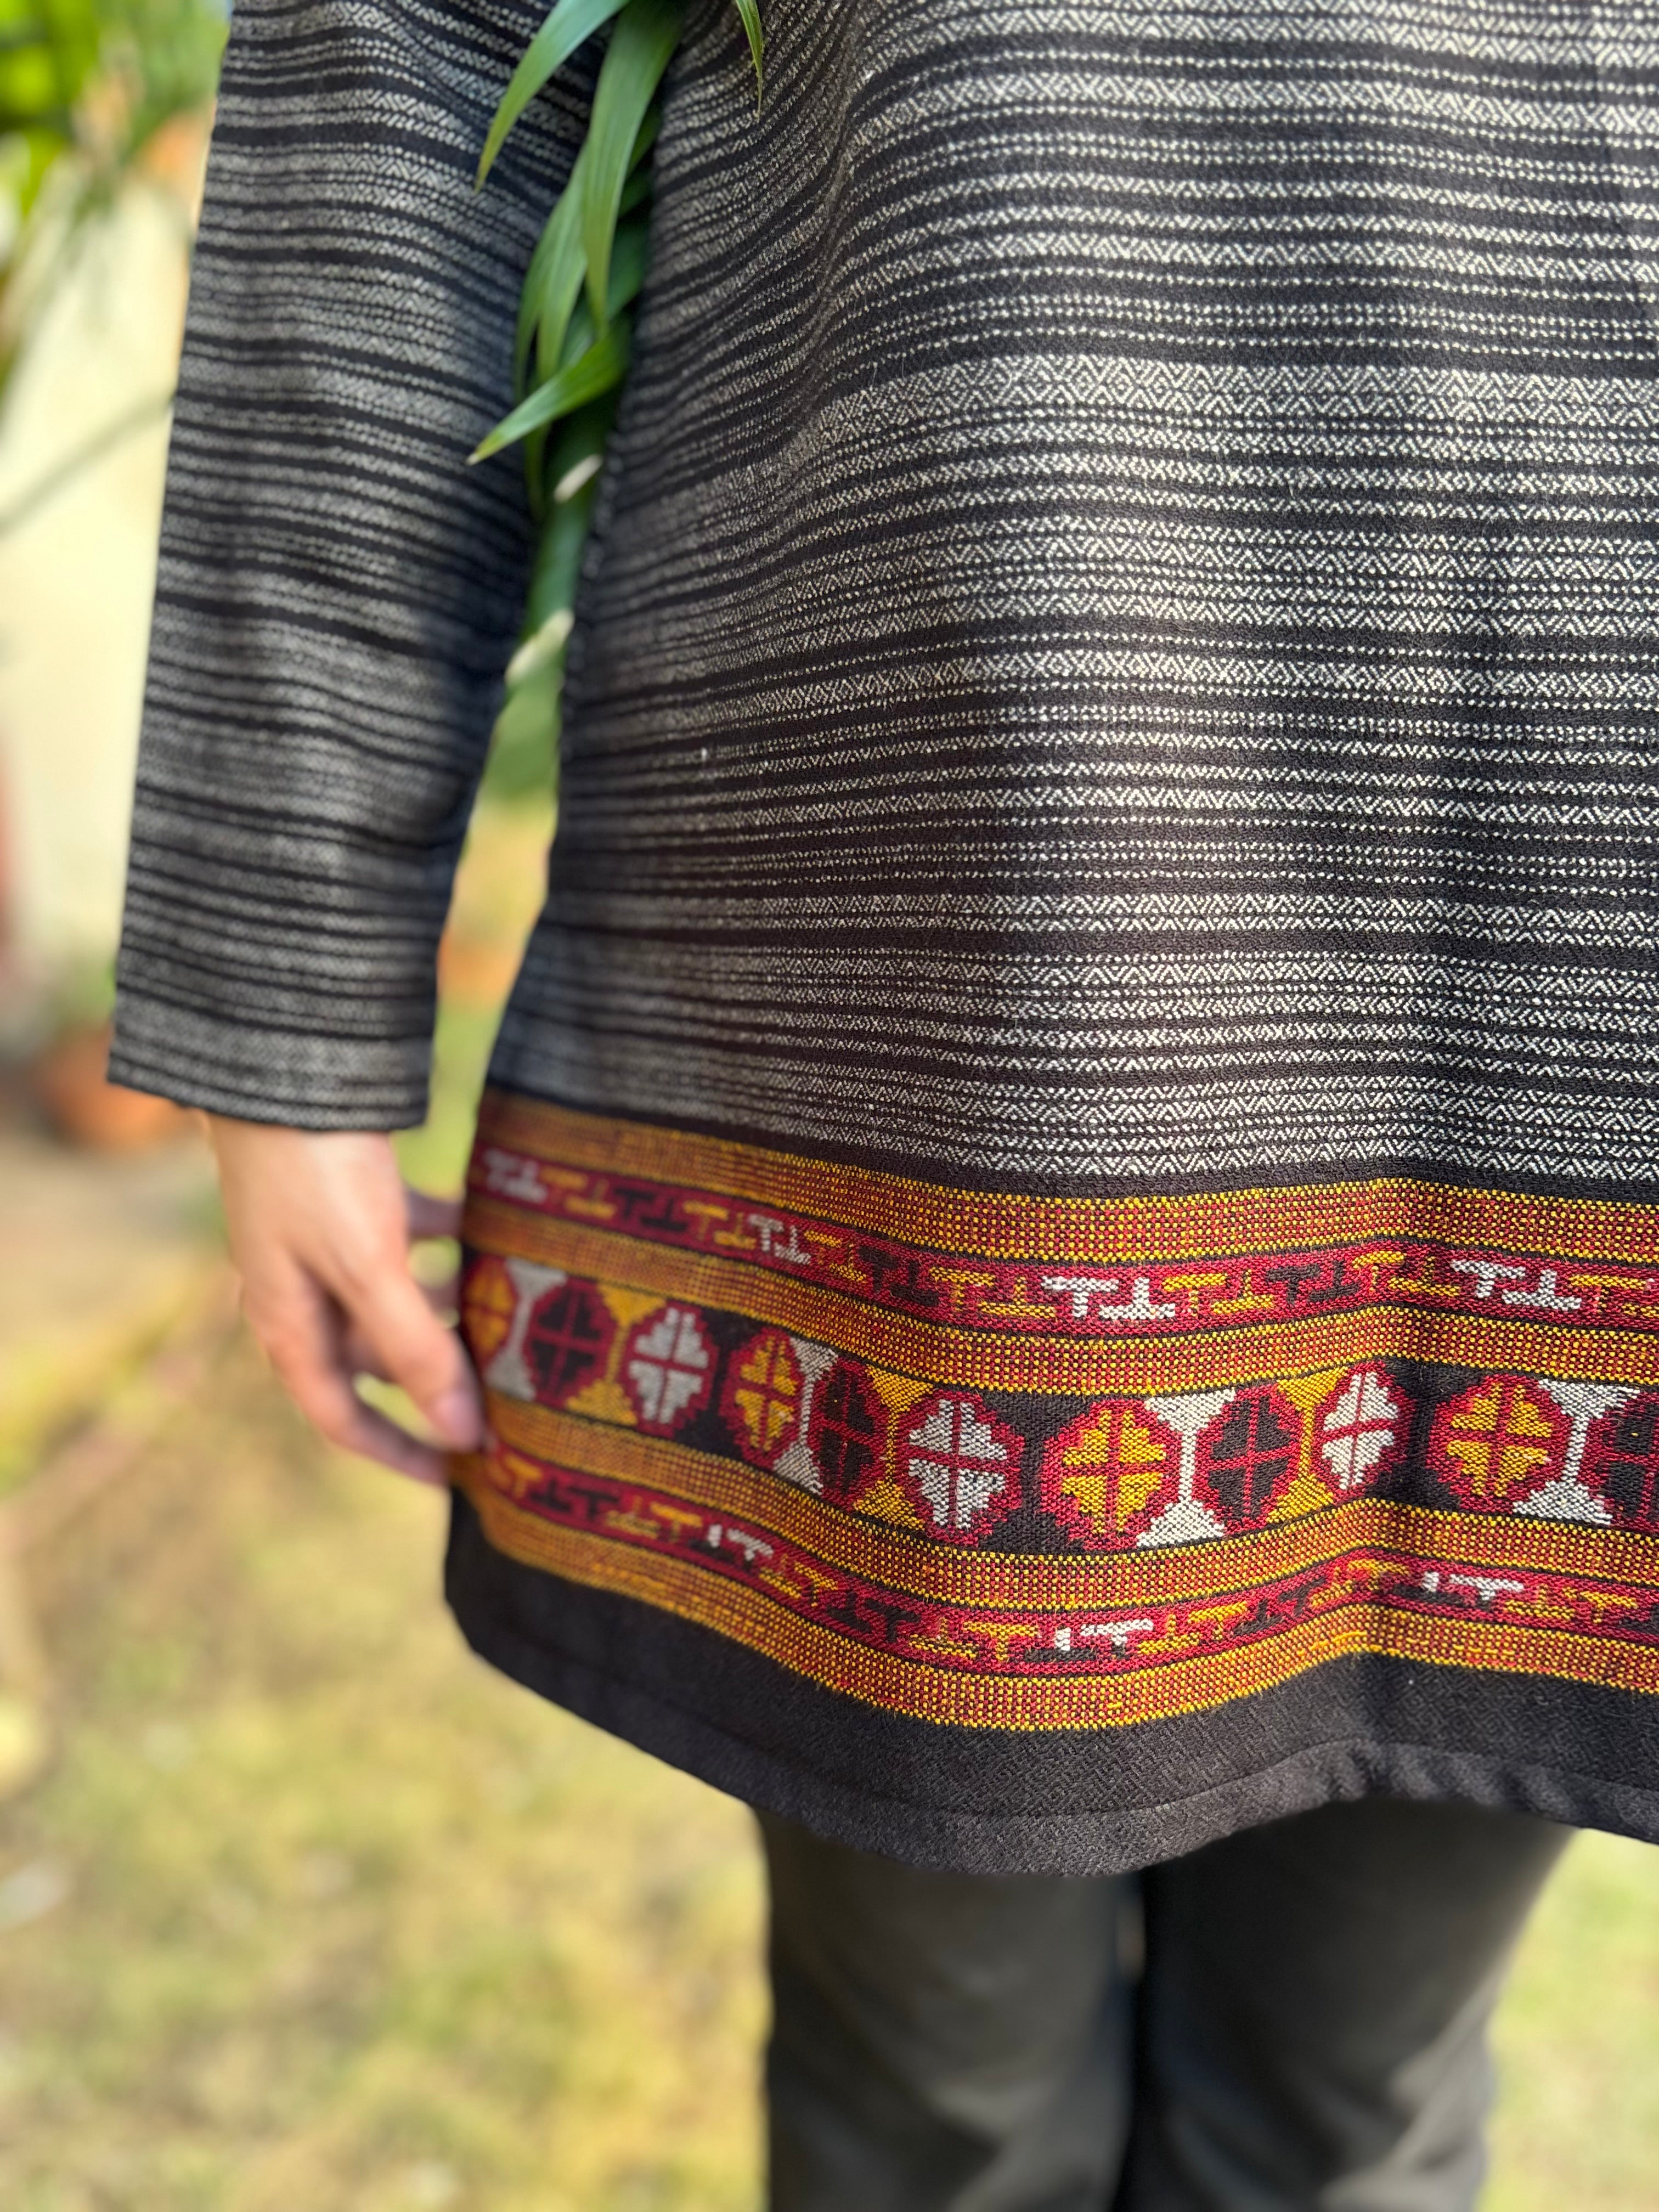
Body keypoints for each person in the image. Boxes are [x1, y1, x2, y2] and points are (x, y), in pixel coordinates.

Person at [112, 3, 1659, 2204]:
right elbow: (402, 70)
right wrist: (279, 989)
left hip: (1581, 900)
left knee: (1353, 2109)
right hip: (955, 906)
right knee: (937, 2104)